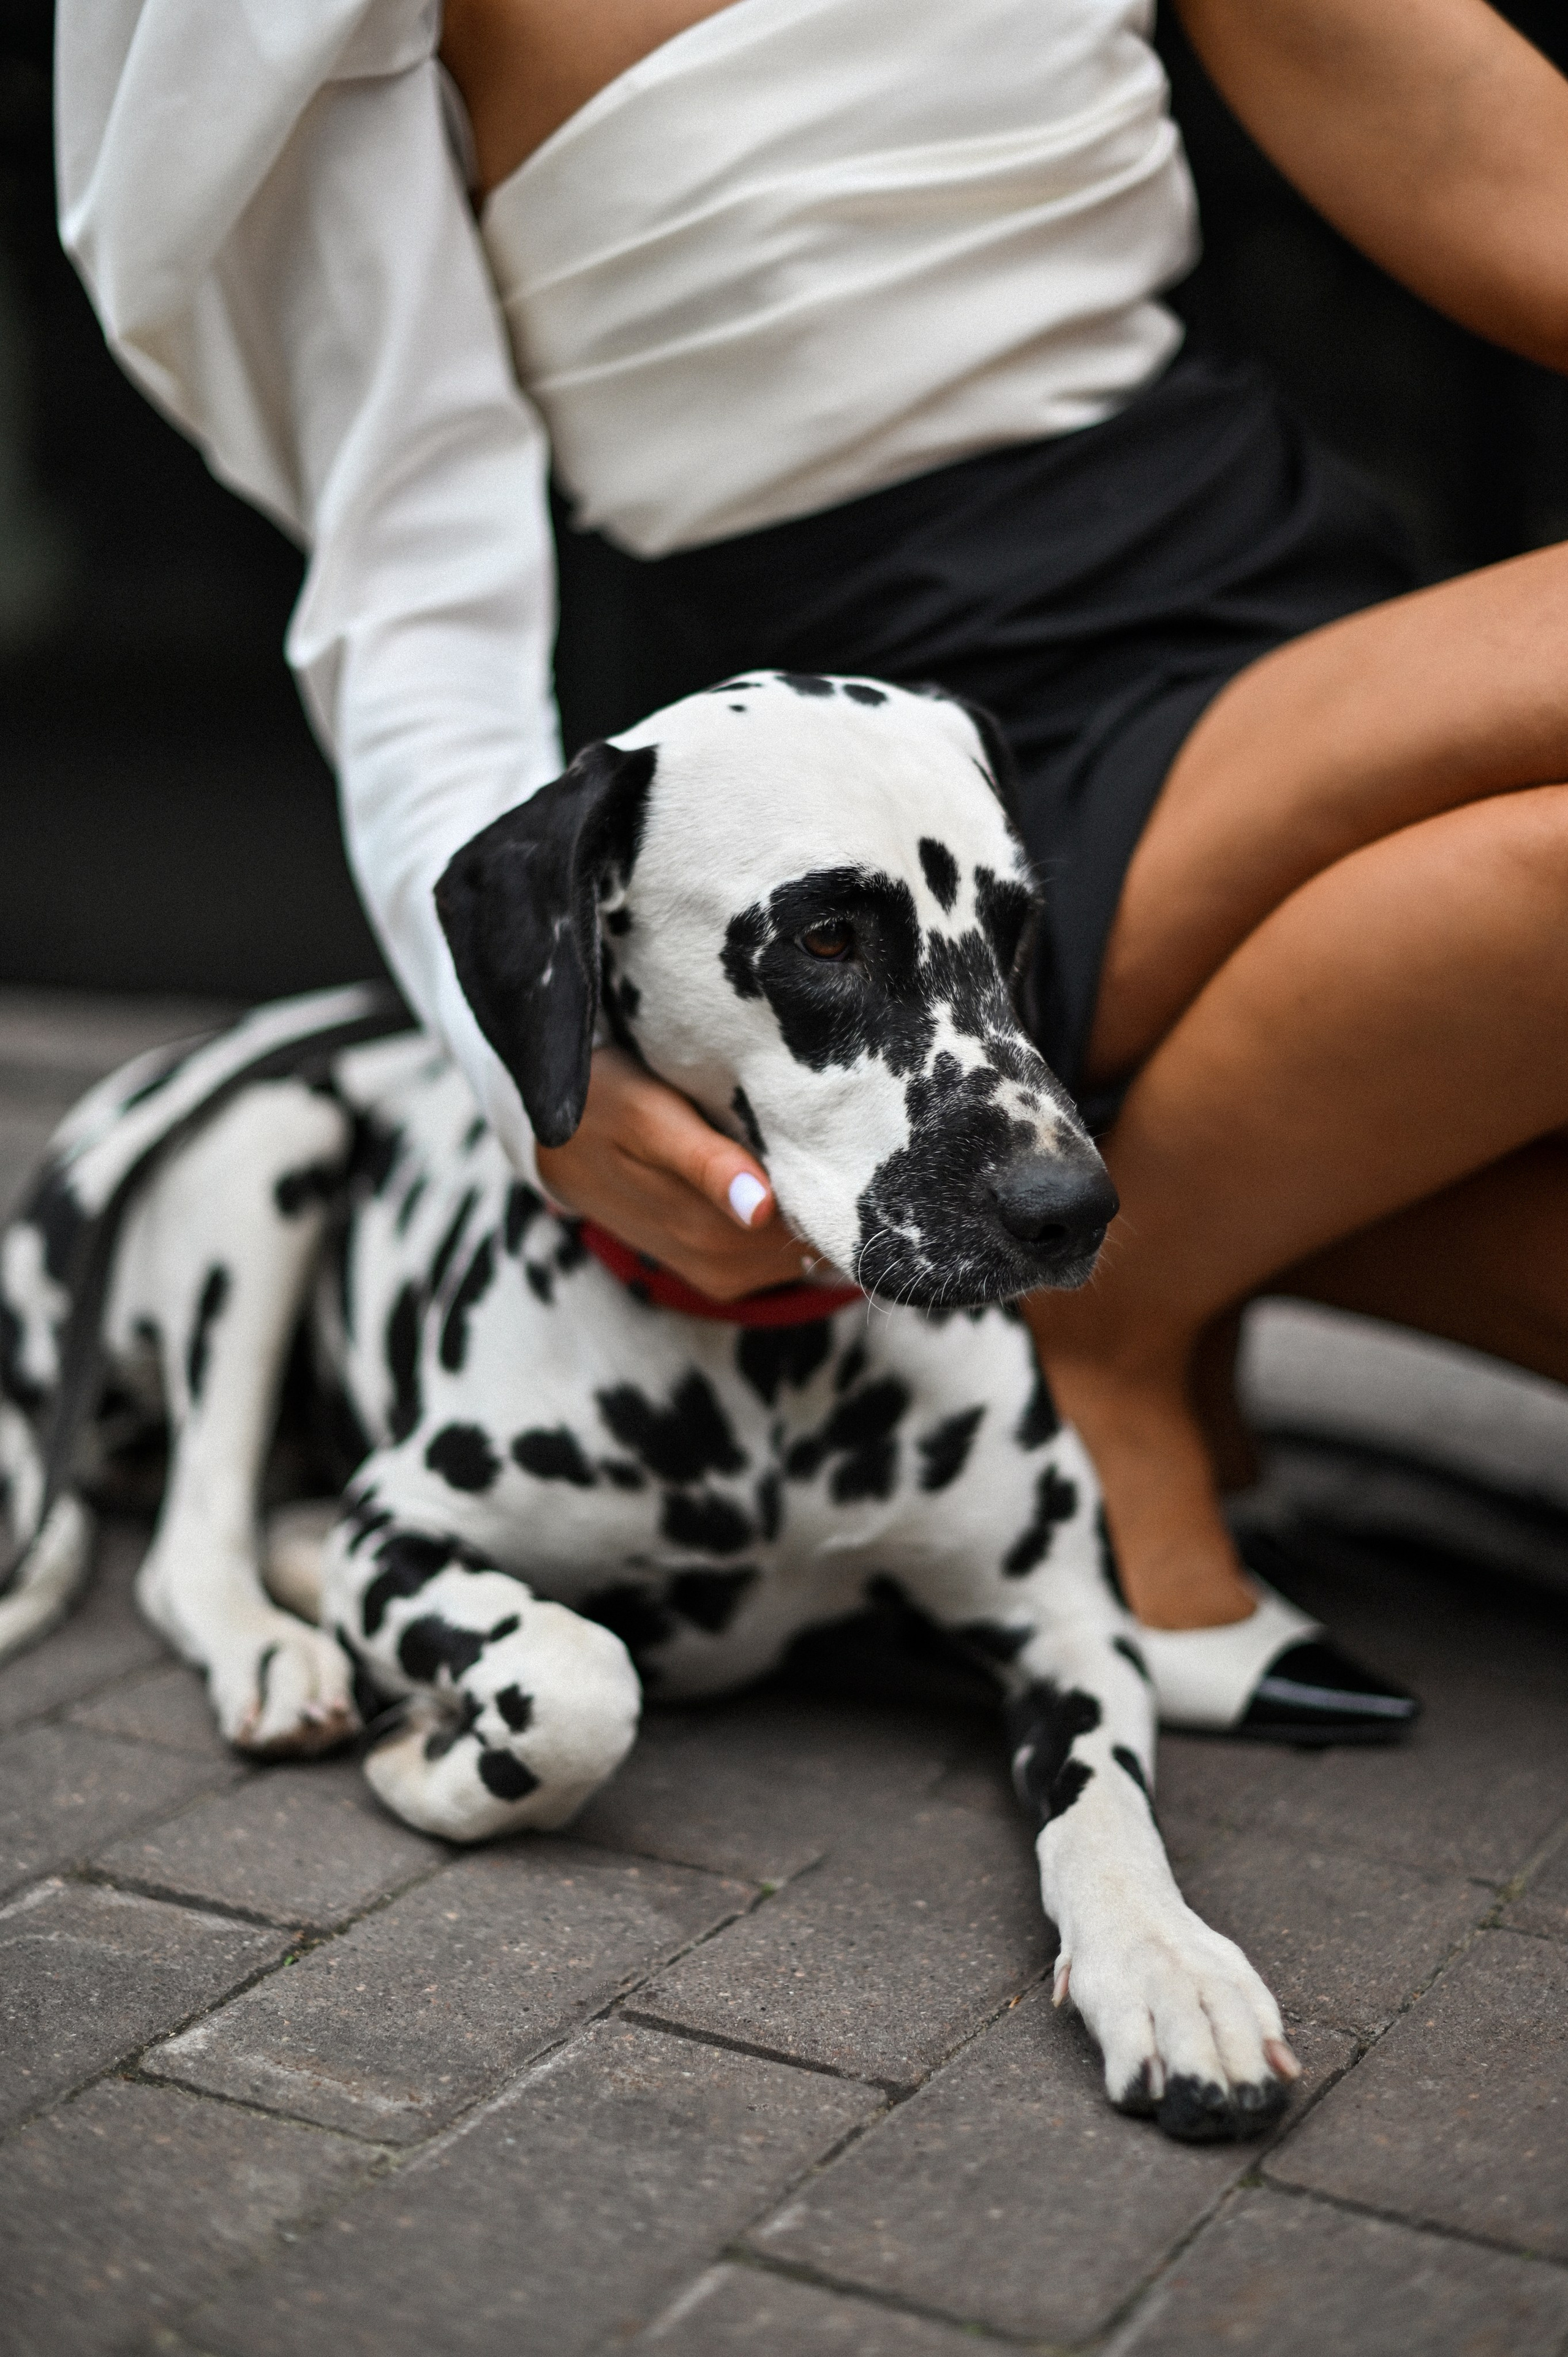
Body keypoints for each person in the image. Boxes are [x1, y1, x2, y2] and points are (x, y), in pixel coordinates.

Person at [56, 0, 1568, 1733]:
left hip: (1322, 621)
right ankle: (1116, 1320)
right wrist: (533, 1074)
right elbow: (415, 592)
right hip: (936, 797)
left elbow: (1506, 175)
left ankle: (1161, 1267)